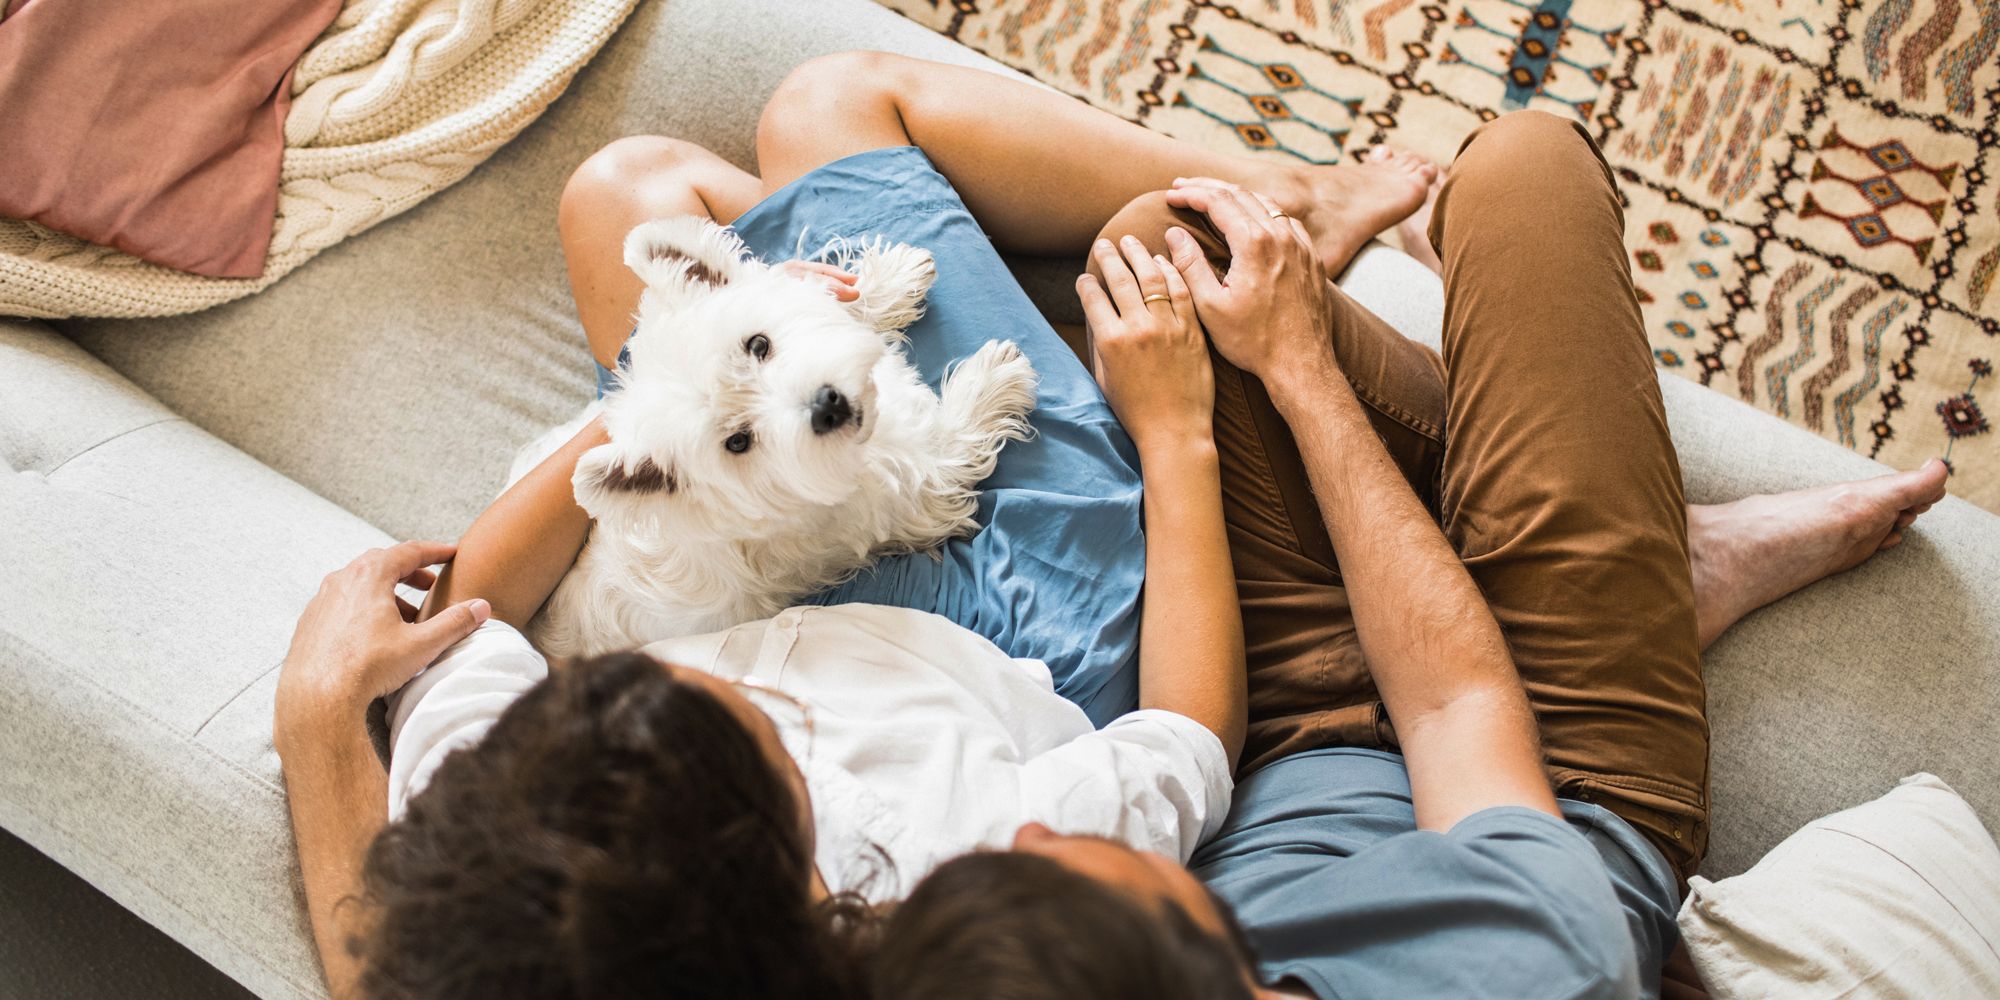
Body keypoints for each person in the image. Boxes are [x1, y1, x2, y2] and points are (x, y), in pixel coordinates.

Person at [271, 51, 1950, 999]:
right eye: (747, 733)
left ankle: (1633, 553)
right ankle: (1648, 573)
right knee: (1510, 171)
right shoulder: (1522, 958)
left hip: (1254, 719)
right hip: (1484, 756)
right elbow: (1438, 714)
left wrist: (320, 742)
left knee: (1141, 244)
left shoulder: (864, 949)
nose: (721, 679)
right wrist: (1265, 391)